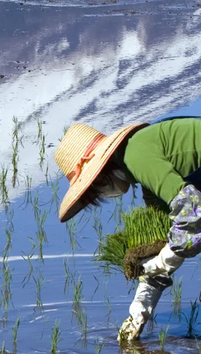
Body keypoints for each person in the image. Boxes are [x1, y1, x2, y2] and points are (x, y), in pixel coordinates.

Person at [54, 117, 201, 341]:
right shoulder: (149, 184)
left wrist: (164, 259)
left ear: (104, 171)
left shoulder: (137, 154)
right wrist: (140, 308)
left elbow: (191, 212)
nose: (105, 194)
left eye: (100, 188)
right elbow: (168, 239)